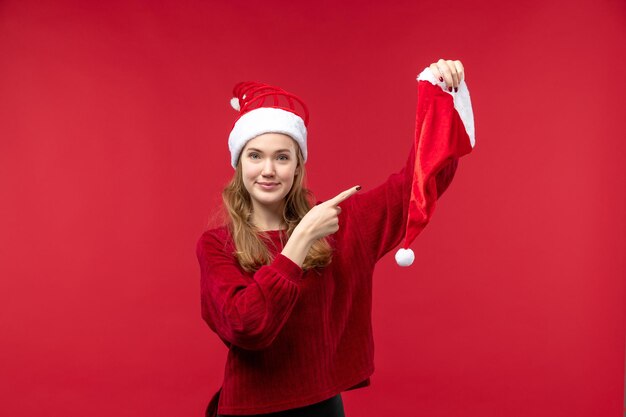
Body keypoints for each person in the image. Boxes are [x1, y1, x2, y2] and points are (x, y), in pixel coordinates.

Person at [196, 59, 475, 417]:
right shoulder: (217, 245)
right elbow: (249, 327)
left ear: (297, 166)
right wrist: (299, 242)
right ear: (239, 164)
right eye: (255, 156)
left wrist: (441, 94)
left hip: (323, 406)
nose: (268, 169)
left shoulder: (342, 225)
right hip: (251, 410)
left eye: (282, 157)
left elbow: (420, 184)